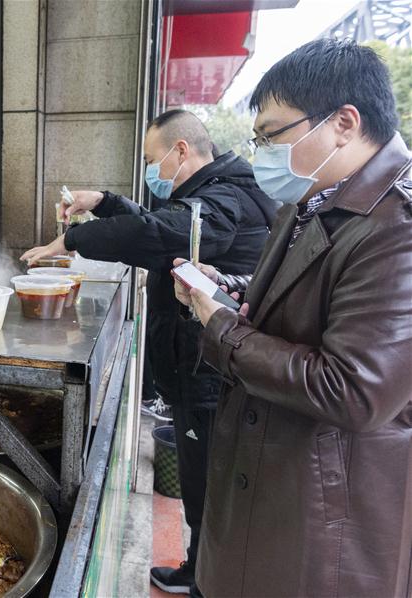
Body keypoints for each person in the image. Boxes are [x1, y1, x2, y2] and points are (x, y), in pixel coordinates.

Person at [174, 39, 412, 597]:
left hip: (325, 514)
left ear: (344, 123)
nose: (263, 154)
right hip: (268, 476)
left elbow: (354, 390)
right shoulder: (312, 201)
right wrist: (225, 288)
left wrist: (222, 327)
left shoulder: (396, 230)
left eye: (273, 134)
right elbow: (286, 298)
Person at [22, 109, 275, 596]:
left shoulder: (224, 200)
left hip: (209, 372)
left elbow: (158, 234)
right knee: (203, 484)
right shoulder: (210, 192)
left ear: (182, 151)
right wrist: (105, 201)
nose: (149, 170)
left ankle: (206, 581)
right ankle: (198, 568)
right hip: (199, 364)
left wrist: (72, 239)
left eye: (150, 159)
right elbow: (156, 223)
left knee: (207, 485)